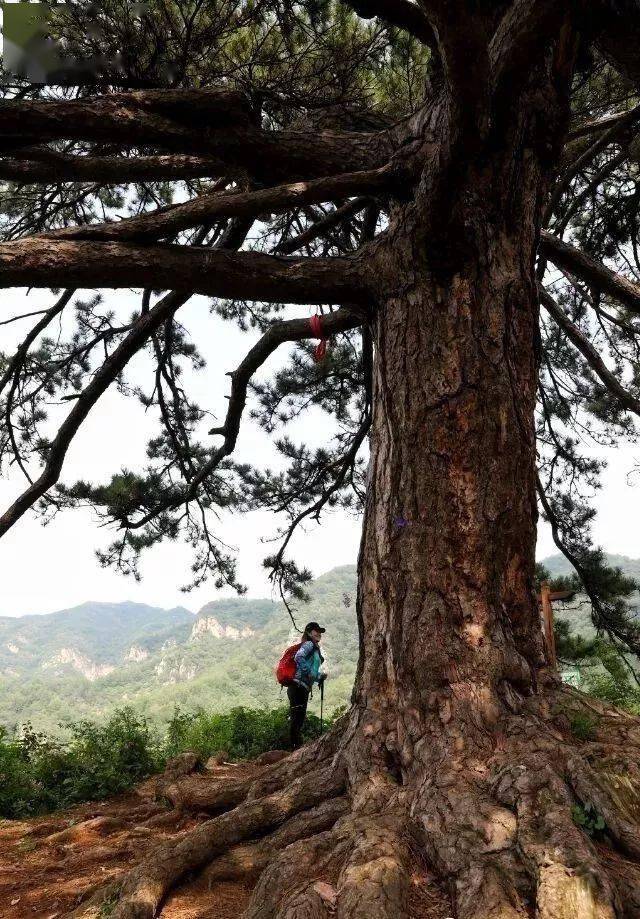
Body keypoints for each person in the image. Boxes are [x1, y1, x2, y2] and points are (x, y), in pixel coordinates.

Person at [287, 621, 326, 749]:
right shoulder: (309, 644)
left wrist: (319, 677)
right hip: (297, 686)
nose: (319, 633)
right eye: (316, 631)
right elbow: (299, 657)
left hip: (302, 687)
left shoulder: (315, 648)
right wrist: (309, 672)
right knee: (297, 718)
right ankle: (295, 748)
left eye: (320, 631)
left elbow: (311, 672)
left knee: (299, 717)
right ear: (309, 632)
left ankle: (295, 747)